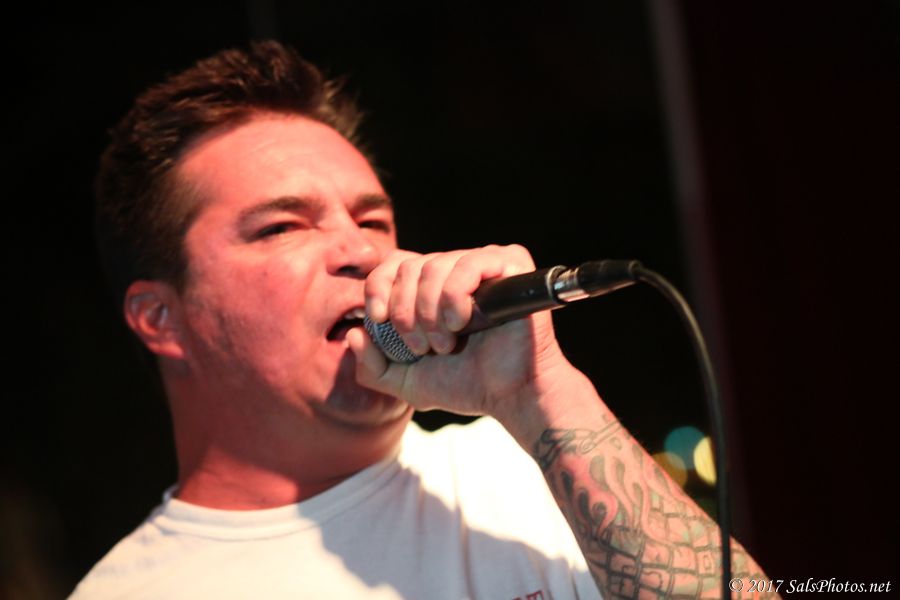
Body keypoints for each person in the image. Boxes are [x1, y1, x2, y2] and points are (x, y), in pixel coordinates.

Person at [72, 41, 775, 599]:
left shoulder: (522, 465)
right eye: (283, 226)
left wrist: (539, 395)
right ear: (160, 319)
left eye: (373, 219)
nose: (361, 251)